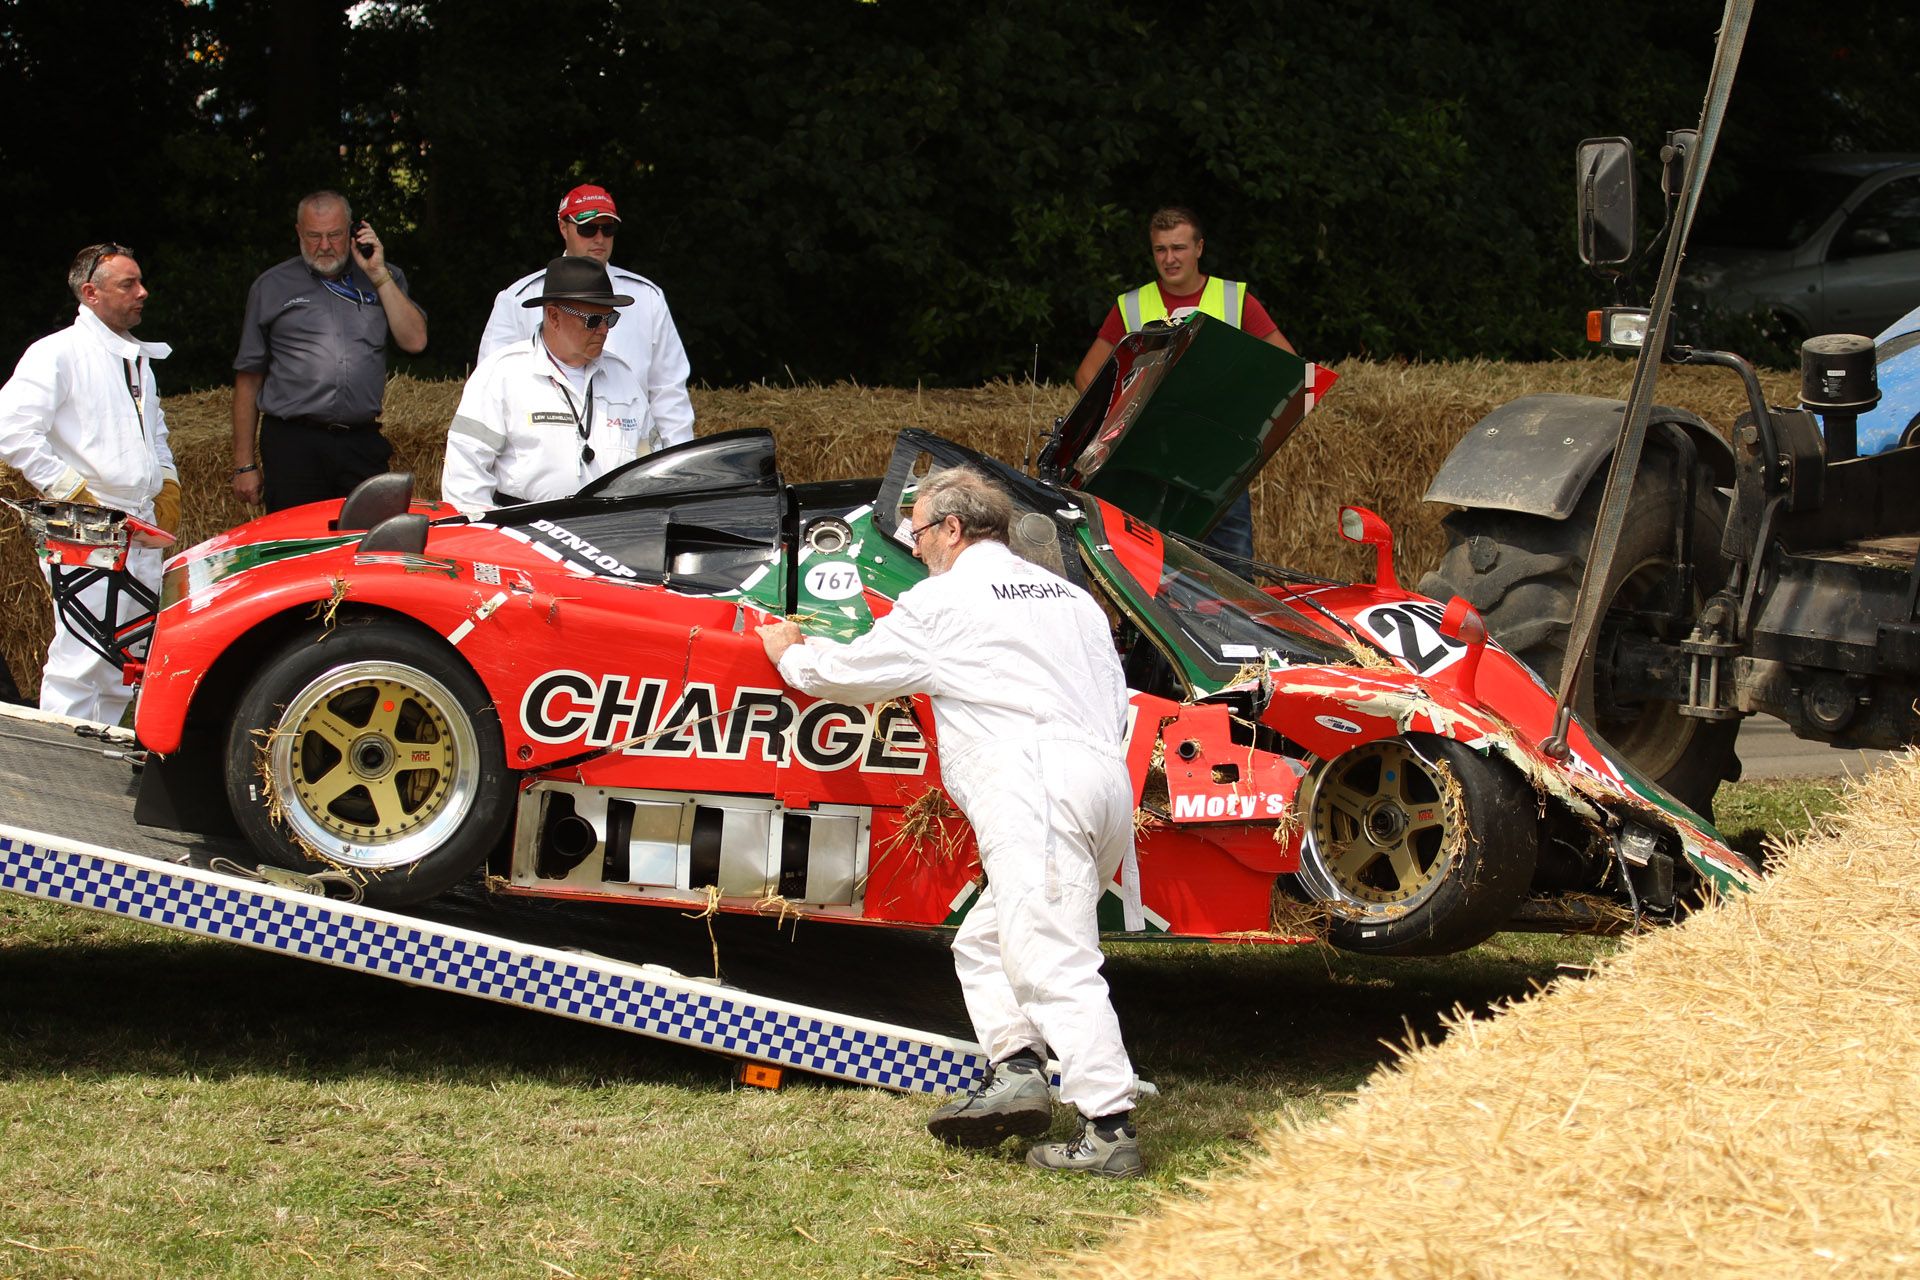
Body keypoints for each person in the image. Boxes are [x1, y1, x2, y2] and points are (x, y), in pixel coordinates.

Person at [756, 468, 1144, 1178]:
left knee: (1052, 958)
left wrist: (791, 653)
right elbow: (1117, 696)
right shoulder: (1073, 598)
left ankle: (1109, 1128)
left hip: (1033, 785)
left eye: (918, 531)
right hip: (1102, 779)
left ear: (953, 529)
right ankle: (1017, 1070)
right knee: (986, 941)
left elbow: (850, 673)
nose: (913, 545)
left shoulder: (943, 599)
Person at [0, 244, 179, 723]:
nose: (143, 292)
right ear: (91, 293)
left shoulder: (135, 359)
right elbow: (10, 430)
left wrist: (169, 483)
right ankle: (59, 759)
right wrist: (68, 490)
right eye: (128, 284)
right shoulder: (56, 353)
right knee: (81, 655)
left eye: (140, 281)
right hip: (85, 526)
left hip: (139, 523)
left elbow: (156, 432)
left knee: (125, 655)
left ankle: (99, 755)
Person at [1072, 206, 1295, 561]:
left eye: (1179, 248)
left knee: (1233, 568)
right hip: (1150, 459)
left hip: (1220, 462)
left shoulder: (1234, 299)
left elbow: (1286, 365)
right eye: (1160, 249)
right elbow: (1087, 374)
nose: (1169, 258)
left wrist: (1246, 415)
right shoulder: (1131, 305)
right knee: (1151, 568)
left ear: (1199, 248)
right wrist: (1122, 422)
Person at [230, 190, 428, 512]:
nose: (324, 246)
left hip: (361, 441)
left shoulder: (384, 277)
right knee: (295, 539)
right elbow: (249, 378)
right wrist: (244, 465)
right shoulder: (271, 286)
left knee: (368, 536)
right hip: (293, 443)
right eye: (314, 236)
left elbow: (415, 341)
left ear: (352, 231)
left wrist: (379, 275)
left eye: (334, 235)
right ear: (298, 232)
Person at [477, 184, 693, 451]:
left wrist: (680, 464)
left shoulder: (647, 297)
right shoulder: (520, 297)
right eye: (588, 229)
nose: (599, 238)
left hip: (625, 451)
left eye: (608, 229)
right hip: (540, 454)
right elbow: (488, 388)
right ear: (563, 227)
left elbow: (670, 394)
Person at [441, 256, 659, 515]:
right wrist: (490, 534)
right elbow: (465, 483)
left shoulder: (623, 378)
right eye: (593, 320)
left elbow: (650, 467)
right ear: (554, 316)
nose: (604, 330)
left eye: (609, 319)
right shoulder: (502, 374)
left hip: (610, 529)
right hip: (525, 531)